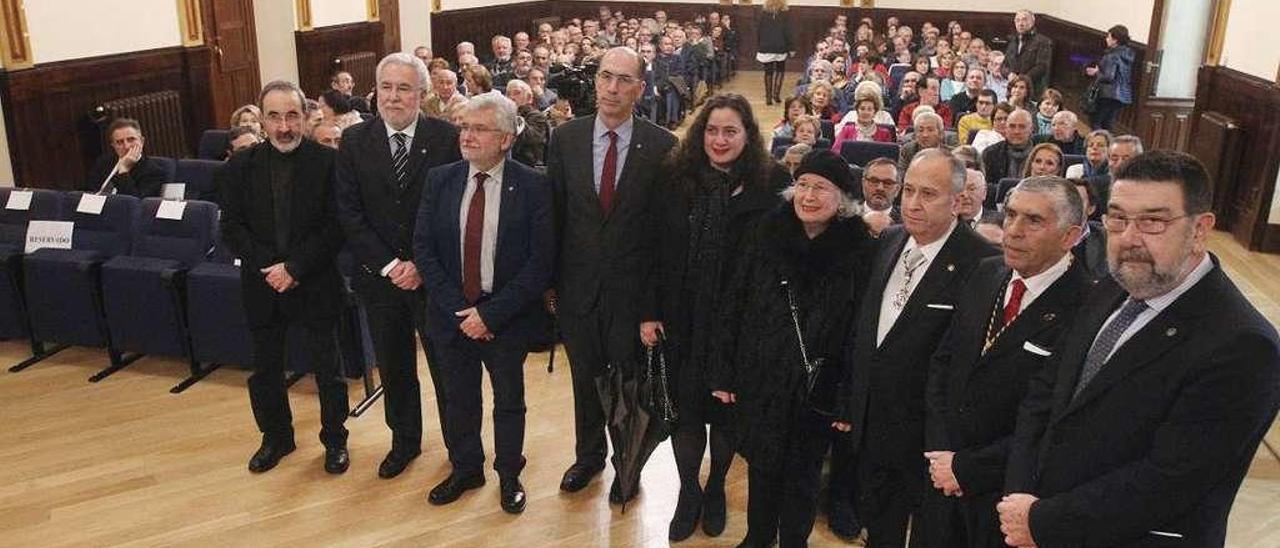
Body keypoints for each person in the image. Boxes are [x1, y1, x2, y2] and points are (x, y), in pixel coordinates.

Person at [1000, 150, 1280, 547]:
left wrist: (1043, 521)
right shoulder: (1113, 285)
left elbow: (1169, 480)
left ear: (1200, 229)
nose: (1129, 239)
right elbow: (1046, 394)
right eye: (1118, 218)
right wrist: (1020, 499)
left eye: (1153, 221)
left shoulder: (1244, 345)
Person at [642, 93, 789, 541]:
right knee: (686, 413)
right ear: (699, 133)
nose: (719, 140)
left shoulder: (772, 183)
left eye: (730, 131)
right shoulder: (673, 177)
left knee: (726, 415)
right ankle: (689, 490)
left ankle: (718, 487)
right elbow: (650, 248)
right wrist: (648, 312)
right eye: (711, 130)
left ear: (748, 135)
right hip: (681, 316)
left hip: (740, 326)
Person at [713, 149, 875, 547]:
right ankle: (757, 536)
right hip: (761, 374)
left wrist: (847, 398)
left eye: (821, 187)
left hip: (818, 385)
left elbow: (861, 332)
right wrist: (724, 370)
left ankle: (793, 541)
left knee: (802, 475)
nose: (808, 195)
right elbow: (734, 302)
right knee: (761, 465)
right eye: (802, 184)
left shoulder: (861, 251)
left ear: (844, 200)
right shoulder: (766, 233)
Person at [919, 176, 1090, 548]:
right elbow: (942, 365)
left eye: (1033, 220)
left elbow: (1054, 421)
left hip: (1007, 497)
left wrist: (966, 469)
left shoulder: (1087, 308)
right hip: (941, 477)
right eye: (1010, 214)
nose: (1013, 230)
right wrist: (941, 454)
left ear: (1070, 236)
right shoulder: (985, 272)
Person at [842, 148, 999, 547]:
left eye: (927, 194)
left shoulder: (984, 262)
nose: (912, 203)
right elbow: (866, 332)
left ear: (958, 201)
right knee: (880, 526)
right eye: (908, 189)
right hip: (873, 425)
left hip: (932, 438)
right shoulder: (890, 240)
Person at [547, 46, 678, 503]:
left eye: (624, 80)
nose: (612, 88)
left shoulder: (663, 147)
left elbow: (665, 238)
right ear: (596, 80)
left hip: (632, 296)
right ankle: (587, 459)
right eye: (606, 77)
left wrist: (653, 308)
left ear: (640, 89)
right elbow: (555, 217)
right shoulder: (565, 139)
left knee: (627, 388)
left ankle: (628, 465)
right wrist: (550, 286)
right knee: (585, 380)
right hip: (577, 290)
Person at [413, 93, 552, 514]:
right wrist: (462, 312)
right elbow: (424, 250)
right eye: (465, 127)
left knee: (508, 400)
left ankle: (509, 474)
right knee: (458, 398)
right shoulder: (440, 179)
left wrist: (489, 314)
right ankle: (466, 468)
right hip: (451, 315)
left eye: (479, 129)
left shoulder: (533, 186)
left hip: (504, 318)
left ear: (506, 139)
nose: (467, 136)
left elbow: (540, 263)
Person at [333, 53, 463, 480]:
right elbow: (349, 214)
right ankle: (404, 442)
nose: (393, 96)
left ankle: (461, 449)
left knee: (447, 367)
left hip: (435, 279)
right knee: (394, 365)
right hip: (380, 278)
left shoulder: (447, 138)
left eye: (404, 88)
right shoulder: (354, 141)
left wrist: (421, 266)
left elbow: (454, 211)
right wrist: (391, 265)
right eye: (386, 87)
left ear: (422, 95)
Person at [219, 80, 349, 475]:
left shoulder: (327, 162)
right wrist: (271, 268)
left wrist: (294, 268)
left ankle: (335, 441)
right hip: (262, 284)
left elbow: (335, 226)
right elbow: (233, 228)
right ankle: (276, 438)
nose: (284, 126)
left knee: (328, 369)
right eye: (274, 117)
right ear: (261, 119)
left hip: (315, 281)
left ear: (306, 117)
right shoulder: (240, 166)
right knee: (266, 370)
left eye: (292, 116)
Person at [83, 118, 168, 197]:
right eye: (120, 142)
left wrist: (123, 171)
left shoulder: (153, 171)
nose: (126, 146)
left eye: (131, 140)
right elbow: (89, 191)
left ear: (142, 142)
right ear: (113, 146)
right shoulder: (103, 162)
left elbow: (135, 203)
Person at [1087, 25, 1135, 130]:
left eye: (1108, 37)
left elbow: (1108, 76)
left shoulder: (1112, 56)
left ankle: (1099, 143)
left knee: (1096, 121)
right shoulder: (1127, 54)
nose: (1106, 39)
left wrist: (1096, 72)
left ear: (1115, 40)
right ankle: (1109, 144)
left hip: (1107, 93)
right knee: (1109, 122)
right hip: (1122, 95)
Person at [981, 108, 1035, 187]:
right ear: (1006, 128)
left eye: (1022, 127)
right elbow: (985, 187)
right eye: (1012, 126)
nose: (1016, 131)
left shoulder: (1040, 155)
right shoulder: (990, 154)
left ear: (1031, 129)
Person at [1069, 178, 1109, 281]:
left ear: (1091, 209)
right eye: (1066, 200)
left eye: (1077, 201)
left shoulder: (1105, 238)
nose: (1070, 206)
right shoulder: (1041, 236)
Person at [1004, 10, 1052, 94]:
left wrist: (1022, 79)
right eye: (1017, 20)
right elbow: (1004, 65)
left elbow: (1042, 67)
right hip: (1013, 89)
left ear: (1032, 22)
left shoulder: (1043, 41)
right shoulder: (1013, 40)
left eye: (1024, 20)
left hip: (1033, 90)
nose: (1020, 23)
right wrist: (1008, 74)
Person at [505, 81, 550, 168]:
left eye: (517, 93)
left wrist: (513, 115)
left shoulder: (537, 116)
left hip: (530, 166)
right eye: (508, 94)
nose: (511, 97)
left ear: (529, 98)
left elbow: (531, 139)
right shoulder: (503, 116)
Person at [756, 0, 794, 105]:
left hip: (766, 45)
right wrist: (791, 47)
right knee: (780, 70)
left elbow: (759, 30)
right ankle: (776, 95)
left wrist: (760, 44)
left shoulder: (763, 13)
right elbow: (788, 31)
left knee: (768, 72)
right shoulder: (785, 13)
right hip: (781, 45)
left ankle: (768, 98)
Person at [860, 157, 902, 237]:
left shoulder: (906, 223)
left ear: (897, 189)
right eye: (874, 181)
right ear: (863, 184)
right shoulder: (846, 217)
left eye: (888, 183)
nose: (880, 188)